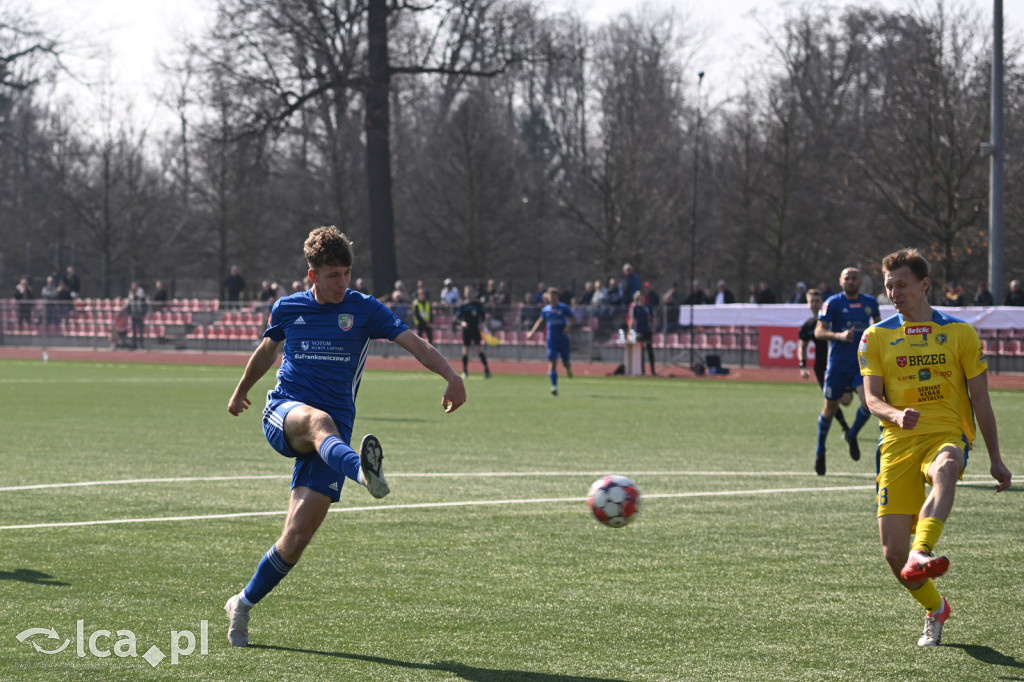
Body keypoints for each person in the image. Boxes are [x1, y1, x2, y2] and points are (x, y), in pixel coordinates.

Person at [224, 226, 466, 647]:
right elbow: (267, 350)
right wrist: (241, 389)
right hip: (286, 414)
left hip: (333, 437)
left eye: (347, 273)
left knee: (296, 538)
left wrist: (451, 374)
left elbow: (414, 342)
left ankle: (241, 604)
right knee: (317, 421)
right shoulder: (288, 308)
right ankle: (364, 473)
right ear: (312, 275)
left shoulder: (364, 309)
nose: (343, 283)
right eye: (333, 275)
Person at [859, 247, 1011, 647]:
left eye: (902, 285)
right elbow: (871, 399)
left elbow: (981, 401)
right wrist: (894, 415)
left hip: (946, 433)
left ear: (924, 285)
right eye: (889, 286)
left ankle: (922, 550)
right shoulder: (876, 336)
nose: (894, 293)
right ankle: (936, 607)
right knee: (892, 553)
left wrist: (996, 458)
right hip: (896, 444)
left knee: (946, 469)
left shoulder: (960, 334)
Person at [813, 266, 880, 475]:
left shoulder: (870, 303)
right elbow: (819, 331)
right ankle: (820, 450)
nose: (850, 281)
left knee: (868, 403)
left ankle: (852, 434)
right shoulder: (833, 302)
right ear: (841, 282)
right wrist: (839, 336)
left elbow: (879, 329)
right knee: (829, 410)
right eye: (847, 278)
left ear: (860, 281)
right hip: (838, 364)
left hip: (861, 364)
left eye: (854, 278)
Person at [798, 289, 850, 436]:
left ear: (822, 303)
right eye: (811, 301)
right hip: (821, 368)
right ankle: (846, 428)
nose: (815, 304)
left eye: (817, 301)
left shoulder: (832, 321)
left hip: (839, 363)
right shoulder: (808, 325)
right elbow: (803, 346)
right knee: (830, 399)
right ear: (808, 304)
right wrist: (802, 365)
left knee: (846, 400)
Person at [526, 287, 576, 395]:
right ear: (548, 297)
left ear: (558, 297)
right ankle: (554, 386)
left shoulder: (563, 308)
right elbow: (540, 321)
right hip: (552, 340)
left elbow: (573, 319)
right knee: (552, 362)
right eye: (551, 296)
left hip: (563, 339)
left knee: (565, 362)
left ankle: (568, 369)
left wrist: (568, 327)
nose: (553, 298)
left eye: (555, 296)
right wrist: (531, 332)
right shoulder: (546, 310)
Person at [456, 285, 492, 378]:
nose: (468, 294)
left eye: (470, 292)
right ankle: (464, 370)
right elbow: (458, 318)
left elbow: (484, 316)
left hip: (475, 329)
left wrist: (482, 323)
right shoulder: (463, 305)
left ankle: (486, 369)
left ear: (473, 293)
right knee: (465, 351)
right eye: (467, 292)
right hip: (466, 330)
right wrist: (462, 323)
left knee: (479, 349)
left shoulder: (477, 305)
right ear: (465, 293)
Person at [627, 290, 656, 376]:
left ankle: (652, 369)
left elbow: (654, 318)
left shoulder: (649, 307)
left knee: (649, 349)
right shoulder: (635, 307)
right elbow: (632, 319)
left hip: (647, 331)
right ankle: (642, 370)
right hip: (639, 331)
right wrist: (630, 330)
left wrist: (653, 329)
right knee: (640, 351)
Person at [128, 282, 148, 349]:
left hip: (140, 317)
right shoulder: (131, 297)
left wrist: (143, 313)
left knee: (141, 332)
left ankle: (141, 345)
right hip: (133, 317)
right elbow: (129, 306)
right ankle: (134, 345)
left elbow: (144, 304)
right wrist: (130, 314)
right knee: (133, 332)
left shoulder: (140, 297)